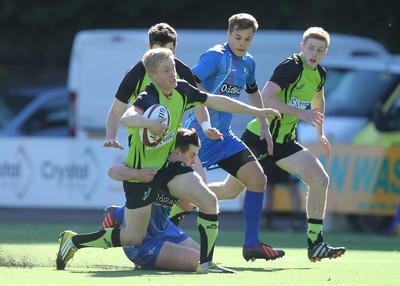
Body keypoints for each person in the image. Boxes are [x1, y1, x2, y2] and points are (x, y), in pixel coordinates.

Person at [56, 47, 280, 273]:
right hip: (142, 175)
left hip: (167, 166)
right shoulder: (148, 96)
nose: (173, 73)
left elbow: (216, 101)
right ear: (152, 76)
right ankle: (75, 242)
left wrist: (257, 111)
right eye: (166, 70)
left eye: (173, 68)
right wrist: (149, 123)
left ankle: (207, 263)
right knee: (133, 236)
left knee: (208, 199)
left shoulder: (182, 89)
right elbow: (128, 117)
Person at [180, 13, 285, 262]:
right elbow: (188, 83)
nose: (242, 43)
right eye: (237, 37)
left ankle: (251, 244)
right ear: (228, 34)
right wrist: (206, 121)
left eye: (247, 39)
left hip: (223, 138)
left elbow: (253, 91)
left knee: (257, 179)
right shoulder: (215, 56)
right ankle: (122, 217)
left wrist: (263, 124)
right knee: (182, 197)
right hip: (197, 136)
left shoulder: (248, 62)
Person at [240, 27, 346, 262]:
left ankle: (315, 243)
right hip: (260, 137)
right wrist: (301, 113)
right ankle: (179, 203)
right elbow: (267, 98)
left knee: (320, 179)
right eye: (310, 48)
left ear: (324, 53)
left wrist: (320, 134)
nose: (314, 53)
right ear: (302, 47)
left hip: (285, 143)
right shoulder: (291, 67)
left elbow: (319, 100)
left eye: (319, 50)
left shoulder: (319, 74)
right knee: (230, 190)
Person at [108, 128, 202, 272]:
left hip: (163, 228)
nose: (194, 162)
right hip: (141, 241)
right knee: (198, 263)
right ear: (177, 153)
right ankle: (118, 214)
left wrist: (187, 177)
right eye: (192, 155)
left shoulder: (181, 172)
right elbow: (113, 171)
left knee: (206, 259)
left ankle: (118, 213)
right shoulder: (154, 163)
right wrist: (137, 174)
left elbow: (186, 205)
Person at [262, 161, 302, 230]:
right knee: (269, 189)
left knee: (293, 188)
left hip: (287, 159)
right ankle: (267, 221)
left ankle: (296, 221)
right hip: (272, 160)